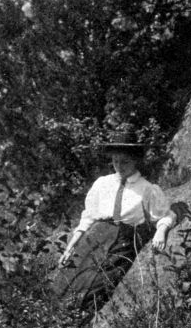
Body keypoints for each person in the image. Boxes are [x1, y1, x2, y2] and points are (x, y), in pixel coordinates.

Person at [52, 130, 176, 311]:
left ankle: (82, 319)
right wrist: (70, 247)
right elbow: (88, 217)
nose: (119, 166)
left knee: (98, 284)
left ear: (135, 160)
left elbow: (166, 215)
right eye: (115, 161)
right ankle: (55, 319)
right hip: (95, 236)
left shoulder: (147, 189)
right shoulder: (102, 183)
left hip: (123, 240)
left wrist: (161, 230)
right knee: (69, 277)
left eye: (124, 161)